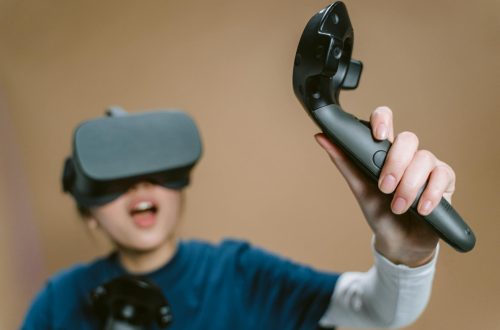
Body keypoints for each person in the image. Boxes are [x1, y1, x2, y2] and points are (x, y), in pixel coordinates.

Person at [22, 106, 453, 329]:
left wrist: (407, 252)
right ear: (90, 214)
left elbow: (380, 310)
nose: (139, 187)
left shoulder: (239, 274)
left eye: (157, 170)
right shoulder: (59, 302)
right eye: (113, 179)